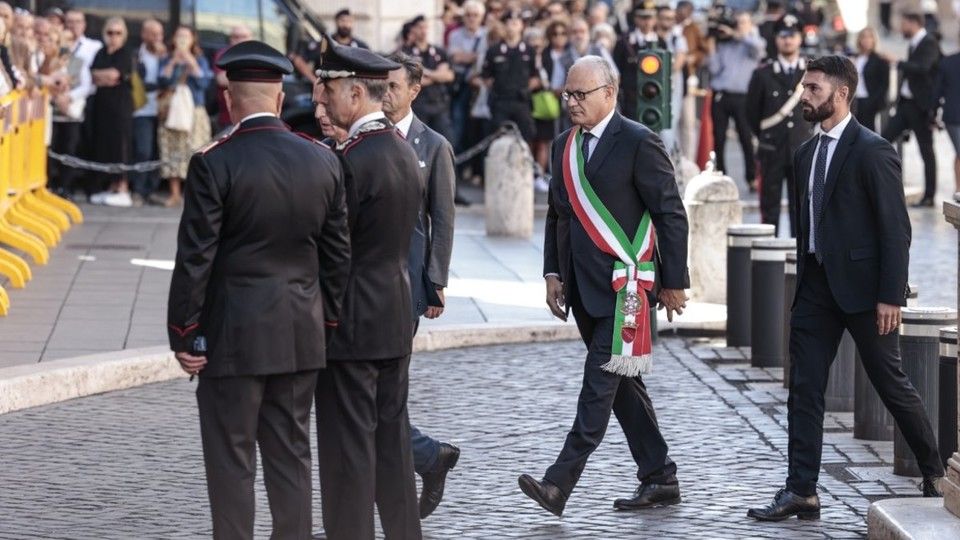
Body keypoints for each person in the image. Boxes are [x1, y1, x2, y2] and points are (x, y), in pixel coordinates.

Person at [747, 55, 944, 523]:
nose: (804, 96)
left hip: (865, 293)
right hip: (815, 288)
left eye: (813, 88)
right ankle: (802, 490)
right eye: (804, 87)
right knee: (804, 389)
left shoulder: (873, 150)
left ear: (841, 93)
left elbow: (895, 229)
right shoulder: (804, 153)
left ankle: (935, 471)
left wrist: (891, 295)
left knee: (890, 384)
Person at [168, 40, 350, 540]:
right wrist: (327, 322)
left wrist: (184, 332)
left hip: (233, 337)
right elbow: (338, 258)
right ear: (279, 98)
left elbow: (196, 257)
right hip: (299, 333)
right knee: (291, 458)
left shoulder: (214, 162)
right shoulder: (322, 159)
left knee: (232, 462)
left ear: (229, 99)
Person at [520, 55, 689, 517]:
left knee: (597, 388)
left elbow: (670, 212)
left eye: (581, 94)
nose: (571, 102)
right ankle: (660, 476)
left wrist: (674, 281)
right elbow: (558, 215)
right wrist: (552, 273)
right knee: (624, 387)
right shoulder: (563, 145)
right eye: (567, 94)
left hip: (626, 290)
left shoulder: (638, 141)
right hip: (582, 289)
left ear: (609, 93)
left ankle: (558, 483)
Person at [314, 41, 423, 540]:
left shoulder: (349, 160)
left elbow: (334, 250)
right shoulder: (403, 148)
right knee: (392, 450)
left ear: (356, 94)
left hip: (351, 326)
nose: (324, 99)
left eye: (331, 90)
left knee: (348, 455)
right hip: (393, 316)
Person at [383, 52, 460, 520]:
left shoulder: (433, 145)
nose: (385, 93)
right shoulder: (368, 136)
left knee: (384, 393)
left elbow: (443, 219)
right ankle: (428, 457)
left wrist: (436, 282)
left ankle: (424, 461)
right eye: (381, 84)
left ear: (414, 90)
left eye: (393, 85)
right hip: (368, 280)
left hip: (409, 282)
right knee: (382, 397)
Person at [746, 14, 811, 237]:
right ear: (776, 39)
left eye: (792, 35)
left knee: (801, 209)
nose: (787, 40)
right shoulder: (762, 73)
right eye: (783, 36)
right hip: (771, 148)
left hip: (801, 148)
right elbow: (751, 113)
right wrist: (765, 137)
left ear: (800, 38)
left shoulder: (811, 72)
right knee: (769, 207)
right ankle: (768, 253)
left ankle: (799, 253)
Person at [880, 11, 941, 208]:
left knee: (926, 150)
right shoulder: (914, 43)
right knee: (882, 140)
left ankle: (929, 196)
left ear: (914, 23)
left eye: (904, 23)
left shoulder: (929, 42)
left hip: (920, 107)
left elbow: (923, 67)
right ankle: (880, 184)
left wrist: (897, 63)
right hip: (905, 104)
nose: (901, 28)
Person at [707, 10, 766, 190]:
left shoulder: (752, 42)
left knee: (746, 138)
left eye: (743, 22)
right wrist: (712, 47)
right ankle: (721, 177)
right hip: (721, 95)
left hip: (743, 97)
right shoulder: (724, 44)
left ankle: (751, 177)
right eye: (736, 22)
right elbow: (714, 69)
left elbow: (759, 50)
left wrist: (738, 35)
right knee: (719, 138)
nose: (739, 26)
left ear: (750, 25)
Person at [157, 25, 212, 207]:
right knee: (172, 149)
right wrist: (173, 62)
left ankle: (193, 195)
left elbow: (204, 83)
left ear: (192, 40)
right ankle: (174, 193)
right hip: (172, 110)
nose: (182, 40)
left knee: (195, 150)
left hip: (194, 111)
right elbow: (162, 81)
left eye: (186, 37)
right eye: (179, 36)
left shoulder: (200, 59)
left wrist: (191, 62)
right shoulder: (166, 59)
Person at [89, 17, 134, 207]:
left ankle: (123, 187)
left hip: (120, 107)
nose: (113, 36)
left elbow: (115, 75)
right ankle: (111, 186)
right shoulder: (100, 52)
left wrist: (105, 76)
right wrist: (105, 76)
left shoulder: (126, 53)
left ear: (124, 35)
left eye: (118, 33)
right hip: (102, 106)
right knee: (105, 145)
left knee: (120, 146)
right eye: (110, 32)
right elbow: (93, 75)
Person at [481, 10, 538, 143]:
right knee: (498, 138)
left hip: (521, 100)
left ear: (522, 25)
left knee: (526, 137)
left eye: (516, 22)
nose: (512, 25)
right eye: (509, 22)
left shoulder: (529, 50)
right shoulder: (494, 50)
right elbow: (486, 77)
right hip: (500, 101)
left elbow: (535, 76)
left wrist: (525, 89)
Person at [402, 15, 455, 142]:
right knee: (419, 142)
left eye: (425, 27)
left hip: (439, 104)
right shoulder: (406, 53)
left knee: (446, 140)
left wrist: (426, 72)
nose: (423, 31)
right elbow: (411, 81)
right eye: (420, 27)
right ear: (413, 29)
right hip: (418, 105)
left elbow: (449, 76)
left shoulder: (439, 51)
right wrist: (438, 76)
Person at [130, 19, 165, 206]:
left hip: (163, 109)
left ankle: (152, 190)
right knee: (143, 150)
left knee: (158, 152)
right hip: (142, 109)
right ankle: (138, 190)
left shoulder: (167, 56)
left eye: (160, 34)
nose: (157, 38)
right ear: (144, 35)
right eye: (153, 34)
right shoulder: (136, 55)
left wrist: (165, 59)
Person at [612, 2, 667, 122]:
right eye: (643, 17)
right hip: (631, 98)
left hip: (655, 98)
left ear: (655, 19)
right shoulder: (624, 42)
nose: (647, 22)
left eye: (650, 17)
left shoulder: (661, 43)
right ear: (636, 18)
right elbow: (616, 69)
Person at [447, 0, 487, 154]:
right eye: (468, 15)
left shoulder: (487, 34)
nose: (472, 18)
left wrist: (468, 57)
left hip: (480, 84)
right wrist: (477, 56)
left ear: (481, 17)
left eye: (475, 15)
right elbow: (455, 58)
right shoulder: (455, 35)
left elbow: (487, 59)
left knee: (479, 125)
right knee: (458, 122)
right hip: (461, 85)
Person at [213, 25, 252, 131]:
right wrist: (250, 75)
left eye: (244, 36)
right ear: (230, 38)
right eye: (236, 37)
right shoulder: (223, 54)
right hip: (229, 116)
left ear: (250, 37)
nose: (240, 40)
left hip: (252, 115)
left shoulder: (257, 54)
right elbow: (221, 80)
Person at [851, 27, 889, 134]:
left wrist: (873, 101)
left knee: (868, 132)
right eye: (863, 37)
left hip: (868, 101)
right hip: (854, 100)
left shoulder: (879, 59)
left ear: (874, 40)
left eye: (869, 37)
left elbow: (884, 84)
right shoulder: (854, 58)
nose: (866, 40)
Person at [936, 41, 960, 198]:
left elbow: (938, 91)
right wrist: (933, 113)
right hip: (954, 117)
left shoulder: (947, 61)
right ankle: (958, 190)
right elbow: (939, 90)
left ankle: (958, 189)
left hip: (952, 115)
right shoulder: (948, 62)